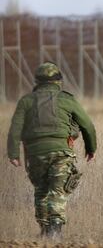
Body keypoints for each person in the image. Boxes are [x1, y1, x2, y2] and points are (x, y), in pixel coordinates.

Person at [6, 62, 97, 239]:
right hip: (61, 152)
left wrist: (13, 153)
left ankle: (44, 231)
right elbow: (87, 125)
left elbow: (15, 128)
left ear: (37, 81)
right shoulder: (66, 99)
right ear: (58, 81)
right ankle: (55, 230)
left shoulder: (26, 101)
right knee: (58, 190)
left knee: (41, 190)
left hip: (35, 154)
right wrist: (91, 148)